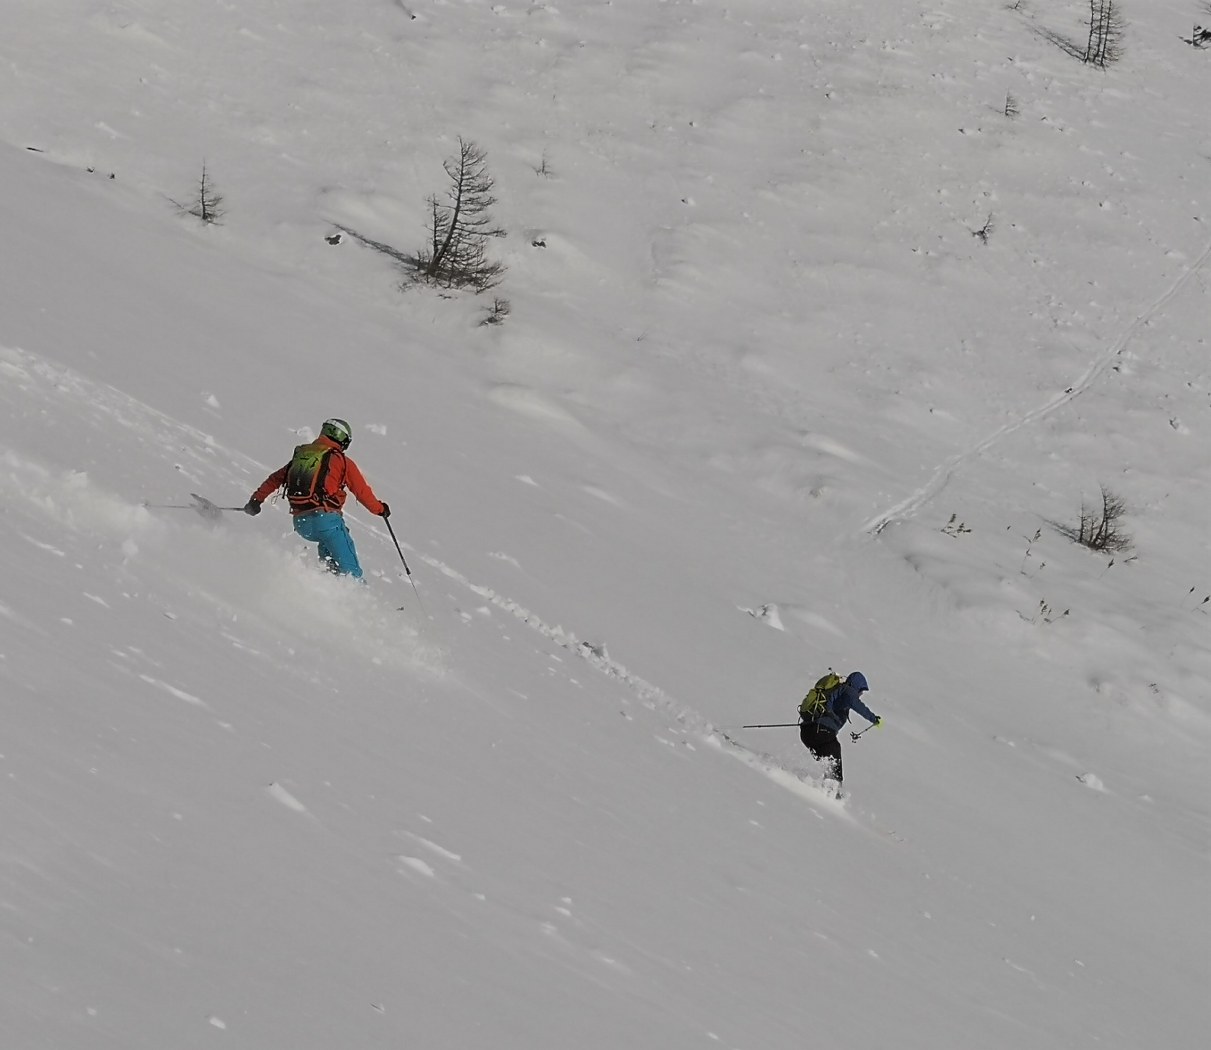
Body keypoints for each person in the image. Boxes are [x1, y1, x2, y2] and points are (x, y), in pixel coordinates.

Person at [244, 418, 389, 579]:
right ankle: (355, 592)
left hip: (301, 524)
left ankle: (327, 584)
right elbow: (362, 492)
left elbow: (274, 479)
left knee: (330, 562)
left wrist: (256, 501)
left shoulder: (302, 457)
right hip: (326, 521)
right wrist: (380, 509)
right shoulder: (341, 461)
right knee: (351, 572)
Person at [798, 671, 881, 791]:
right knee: (834, 750)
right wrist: (873, 718)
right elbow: (856, 704)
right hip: (821, 731)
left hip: (808, 732)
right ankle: (834, 788)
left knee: (828, 759)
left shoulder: (838, 692)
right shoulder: (848, 691)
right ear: (856, 686)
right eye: (861, 690)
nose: (861, 694)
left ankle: (819, 785)